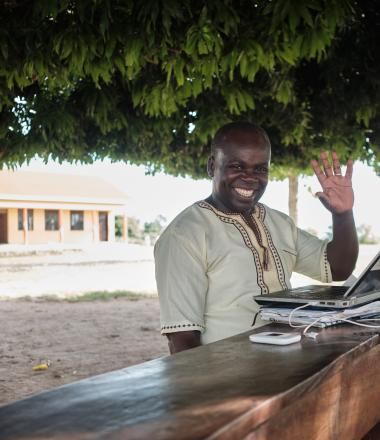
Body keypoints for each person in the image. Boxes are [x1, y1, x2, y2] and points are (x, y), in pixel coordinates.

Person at [154, 121, 359, 354]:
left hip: (286, 359)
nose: (250, 177)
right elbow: (182, 339)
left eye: (260, 169)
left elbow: (338, 268)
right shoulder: (184, 235)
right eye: (236, 166)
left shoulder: (278, 223)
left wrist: (342, 214)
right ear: (212, 166)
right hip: (227, 375)